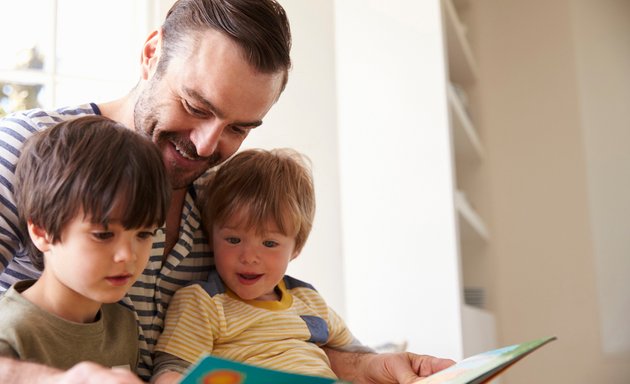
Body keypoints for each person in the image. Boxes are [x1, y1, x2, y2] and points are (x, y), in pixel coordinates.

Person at [0, 0, 454, 382]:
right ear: (152, 53)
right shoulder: (25, 151)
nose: (205, 146)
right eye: (195, 106)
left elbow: (259, 341)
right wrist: (55, 380)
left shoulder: (224, 200)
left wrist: (368, 367)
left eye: (238, 128)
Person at [151, 148, 363, 382]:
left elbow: (359, 356)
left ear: (296, 248)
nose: (249, 257)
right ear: (211, 239)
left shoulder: (308, 299)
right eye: (233, 240)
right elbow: (172, 370)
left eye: (269, 243)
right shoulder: (203, 302)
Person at [0, 116, 170, 382]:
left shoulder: (123, 323)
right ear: (41, 232)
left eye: (144, 233)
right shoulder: (10, 333)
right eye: (103, 235)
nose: (127, 255)